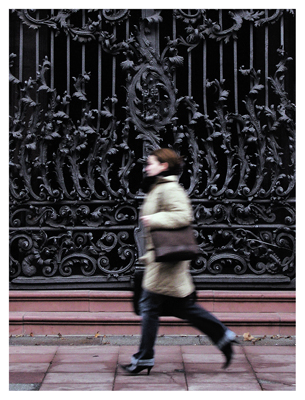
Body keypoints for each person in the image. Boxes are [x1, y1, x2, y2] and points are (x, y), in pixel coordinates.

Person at [120, 148, 237, 375]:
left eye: (150, 163)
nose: (146, 167)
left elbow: (183, 215)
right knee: (181, 307)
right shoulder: (157, 188)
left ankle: (144, 358)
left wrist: (153, 218)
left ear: (164, 166)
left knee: (149, 306)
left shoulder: (170, 188)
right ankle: (223, 335)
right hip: (159, 260)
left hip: (166, 262)